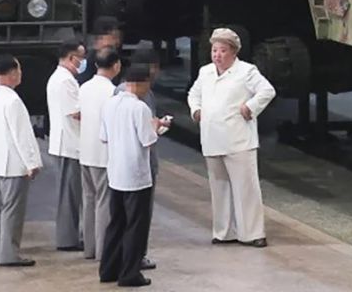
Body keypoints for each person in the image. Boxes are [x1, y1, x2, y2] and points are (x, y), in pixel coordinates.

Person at [187, 27, 276, 248]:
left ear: (233, 52)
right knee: (219, 188)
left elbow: (267, 90)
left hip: (238, 140)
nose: (217, 55)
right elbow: (193, 94)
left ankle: (252, 232)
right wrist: (196, 110)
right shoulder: (205, 72)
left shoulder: (246, 71)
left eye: (222, 51)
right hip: (212, 138)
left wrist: (250, 107)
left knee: (245, 187)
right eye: (214, 50)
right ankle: (223, 231)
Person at [99, 65, 161, 287]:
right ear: (142, 83)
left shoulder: (109, 104)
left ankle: (108, 270)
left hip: (115, 172)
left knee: (116, 222)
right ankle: (130, 274)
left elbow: (104, 137)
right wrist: (157, 127)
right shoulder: (140, 108)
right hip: (136, 175)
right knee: (136, 226)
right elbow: (148, 140)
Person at [0, 54, 43, 267]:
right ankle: (9, 254)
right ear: (11, 73)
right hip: (13, 164)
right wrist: (32, 162)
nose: (20, 74)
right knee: (12, 211)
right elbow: (22, 135)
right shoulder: (13, 100)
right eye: (18, 70)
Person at [118, 47, 170, 270]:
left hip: (119, 165)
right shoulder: (142, 97)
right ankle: (136, 258)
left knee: (120, 215)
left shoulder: (116, 95)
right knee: (139, 216)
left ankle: (121, 256)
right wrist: (159, 126)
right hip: (141, 165)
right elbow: (147, 134)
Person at [78, 46, 122, 259]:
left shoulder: (84, 87)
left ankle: (89, 248)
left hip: (85, 151)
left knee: (89, 201)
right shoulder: (113, 91)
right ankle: (104, 251)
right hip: (104, 154)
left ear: (95, 65)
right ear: (116, 66)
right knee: (104, 202)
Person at [47, 38, 87, 251]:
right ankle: (67, 239)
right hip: (69, 145)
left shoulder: (62, 78)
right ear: (72, 58)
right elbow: (75, 112)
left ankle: (70, 236)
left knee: (71, 194)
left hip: (68, 143)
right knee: (69, 195)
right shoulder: (64, 81)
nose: (83, 62)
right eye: (81, 58)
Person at [77, 16, 124, 85]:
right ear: (99, 39)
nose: (118, 41)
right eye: (114, 36)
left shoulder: (118, 59)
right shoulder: (87, 65)